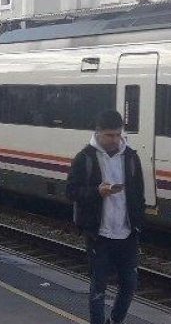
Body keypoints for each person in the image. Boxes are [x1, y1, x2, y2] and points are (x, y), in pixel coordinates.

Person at [66, 110, 146, 324]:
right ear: (98, 133)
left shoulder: (130, 157)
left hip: (127, 233)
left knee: (129, 284)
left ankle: (115, 320)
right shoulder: (85, 158)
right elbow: (71, 192)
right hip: (99, 234)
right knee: (99, 286)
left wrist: (138, 225)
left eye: (118, 134)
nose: (114, 140)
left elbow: (138, 193)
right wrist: (96, 192)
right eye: (109, 135)